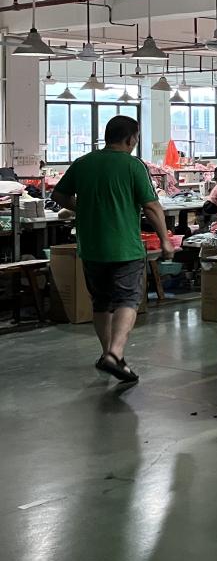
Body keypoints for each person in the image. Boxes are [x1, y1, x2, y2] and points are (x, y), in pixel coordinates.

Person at [50, 115, 172, 385]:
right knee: (128, 299)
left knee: (101, 302)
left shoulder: (83, 163)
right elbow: (152, 206)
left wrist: (83, 208)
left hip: (91, 247)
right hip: (124, 248)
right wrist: (165, 240)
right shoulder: (133, 165)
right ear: (130, 139)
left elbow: (57, 195)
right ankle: (115, 354)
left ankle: (107, 354)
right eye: (136, 138)